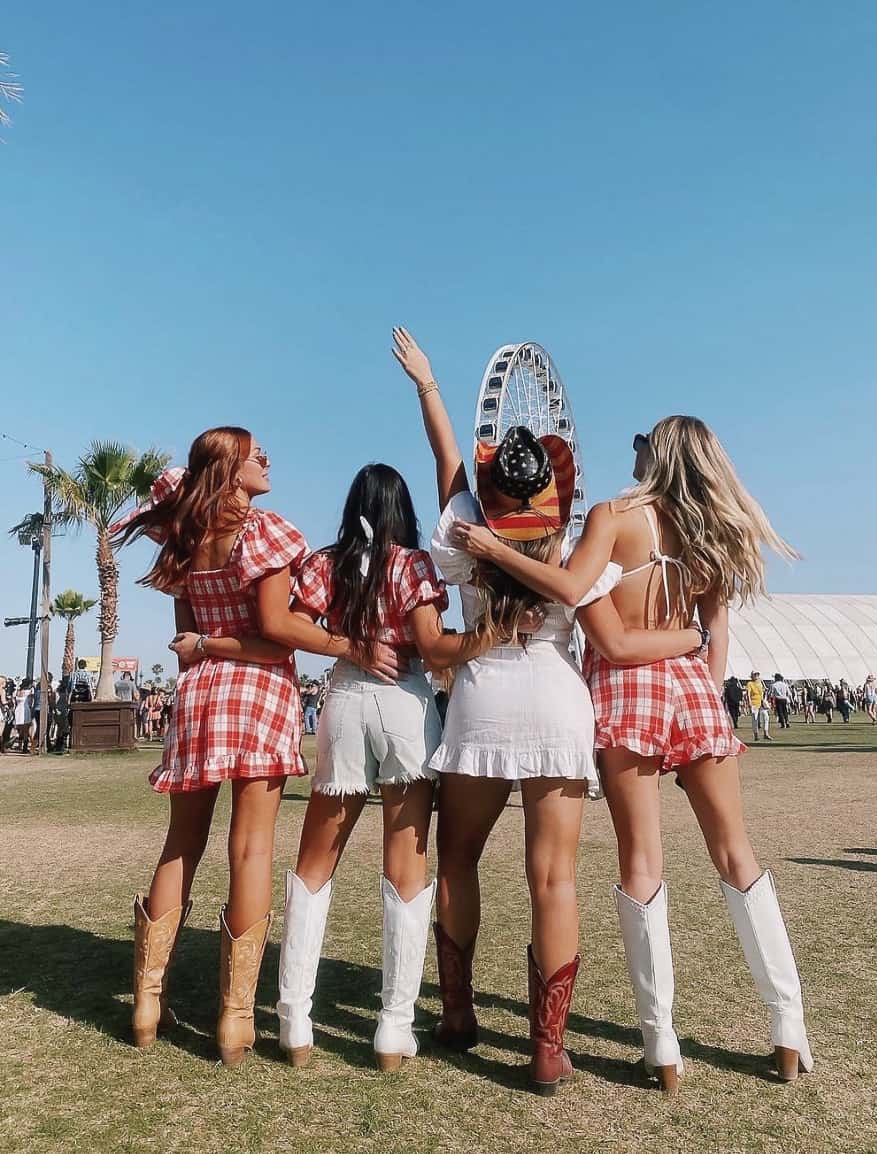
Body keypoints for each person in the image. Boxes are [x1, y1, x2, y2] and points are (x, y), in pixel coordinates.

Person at [453, 415, 814, 1090]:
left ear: (661, 451)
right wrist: (698, 689)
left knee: (641, 862)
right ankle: (787, 1025)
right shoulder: (712, 530)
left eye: (644, 437)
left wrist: (495, 550)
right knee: (738, 855)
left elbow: (573, 594)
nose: (634, 445)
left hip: (628, 691)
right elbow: (715, 632)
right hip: (692, 688)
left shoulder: (616, 516)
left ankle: (662, 1044)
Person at [393, 329, 704, 1095]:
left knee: (459, 856)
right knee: (554, 879)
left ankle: (458, 1012)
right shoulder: (572, 531)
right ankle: (547, 1046)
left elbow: (446, 462)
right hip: (558, 701)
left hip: (483, 698)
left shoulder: (467, 522)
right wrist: (696, 634)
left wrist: (429, 385)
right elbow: (611, 634)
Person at [113, 426, 402, 1067]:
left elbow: (187, 639)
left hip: (197, 698)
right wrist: (352, 646)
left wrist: (208, 646)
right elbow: (276, 633)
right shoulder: (262, 532)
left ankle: (145, 1001)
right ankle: (236, 1019)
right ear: (231, 469)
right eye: (254, 455)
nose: (266, 459)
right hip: (258, 695)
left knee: (179, 845)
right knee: (251, 848)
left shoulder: (187, 535)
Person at [271, 463, 491, 1073]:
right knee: (405, 863)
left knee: (316, 858)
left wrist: (349, 644)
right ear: (402, 509)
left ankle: (294, 1017)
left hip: (344, 697)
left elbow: (289, 621)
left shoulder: (326, 561)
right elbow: (426, 640)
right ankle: (394, 1026)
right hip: (406, 701)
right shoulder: (413, 565)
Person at [746, 672, 772, 741]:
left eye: (757, 675)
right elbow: (748, 694)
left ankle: (766, 733)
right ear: (752, 676)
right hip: (754, 703)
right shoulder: (750, 684)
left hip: (761, 702)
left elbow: (763, 690)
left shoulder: (760, 682)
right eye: (755, 675)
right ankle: (756, 735)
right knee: (755, 719)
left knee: (766, 717)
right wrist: (749, 702)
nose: (757, 676)